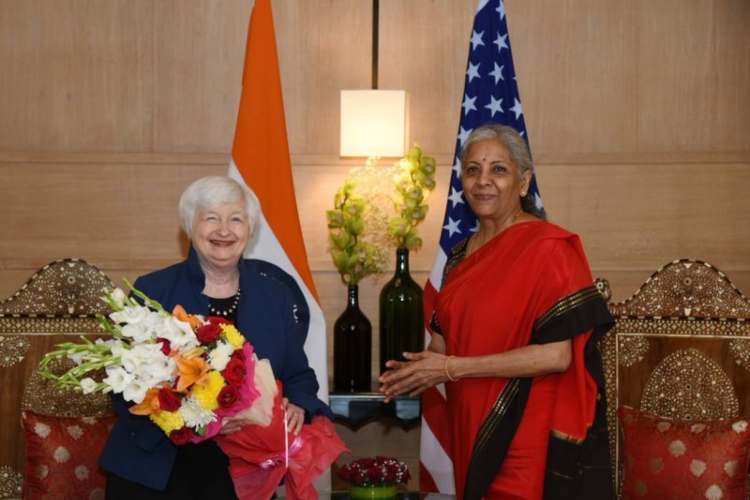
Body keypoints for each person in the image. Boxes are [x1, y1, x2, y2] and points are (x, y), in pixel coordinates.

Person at [379, 124, 613, 500]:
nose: (483, 181)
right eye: (472, 170)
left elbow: (556, 355)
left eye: (498, 170)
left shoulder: (550, 249)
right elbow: (444, 345)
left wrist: (452, 368)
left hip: (522, 429)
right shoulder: (457, 258)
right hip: (468, 422)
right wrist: (416, 372)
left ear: (524, 181)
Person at [100, 176, 332, 499]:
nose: (224, 230)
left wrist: (299, 405)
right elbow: (124, 390)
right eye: (211, 218)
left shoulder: (275, 296)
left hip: (244, 472)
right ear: (189, 227)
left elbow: (298, 375)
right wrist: (200, 423)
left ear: (249, 229)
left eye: (236, 219)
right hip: (156, 469)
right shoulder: (153, 292)